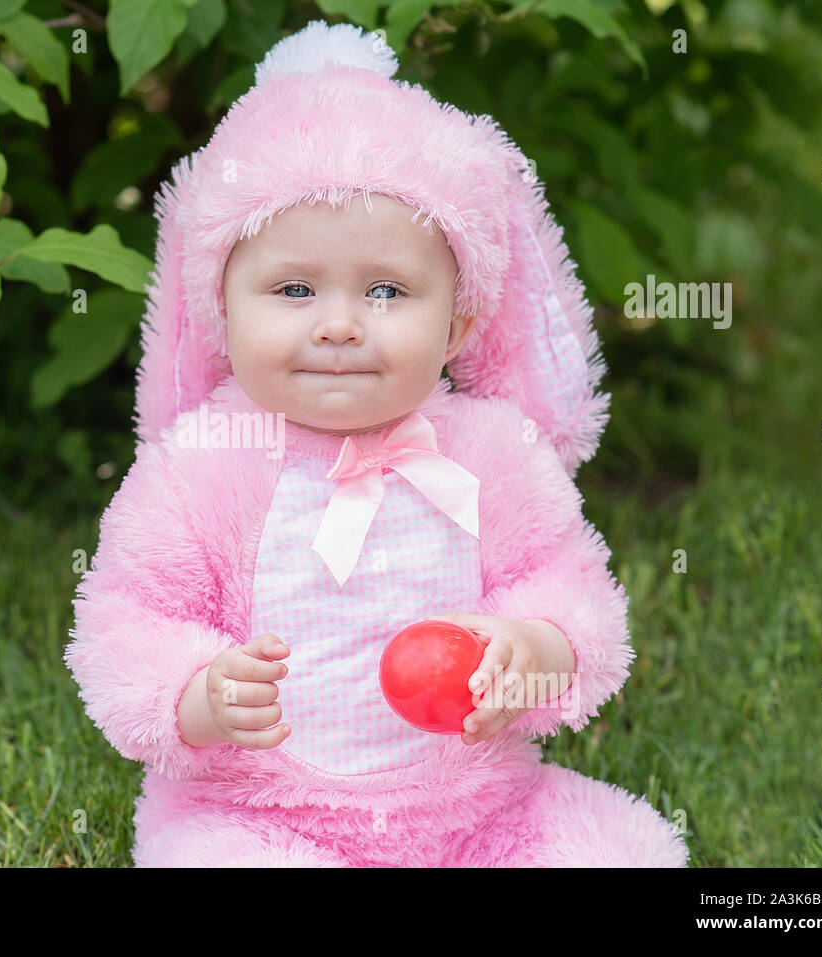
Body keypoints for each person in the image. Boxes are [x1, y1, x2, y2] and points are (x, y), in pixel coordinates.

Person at [64, 20, 689, 867]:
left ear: (460, 317)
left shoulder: (489, 453)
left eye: (388, 290)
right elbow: (124, 620)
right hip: (262, 815)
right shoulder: (204, 463)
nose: (339, 326)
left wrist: (536, 650)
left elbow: (574, 587)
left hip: (472, 807)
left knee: (625, 851)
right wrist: (197, 694)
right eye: (292, 289)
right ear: (220, 304)